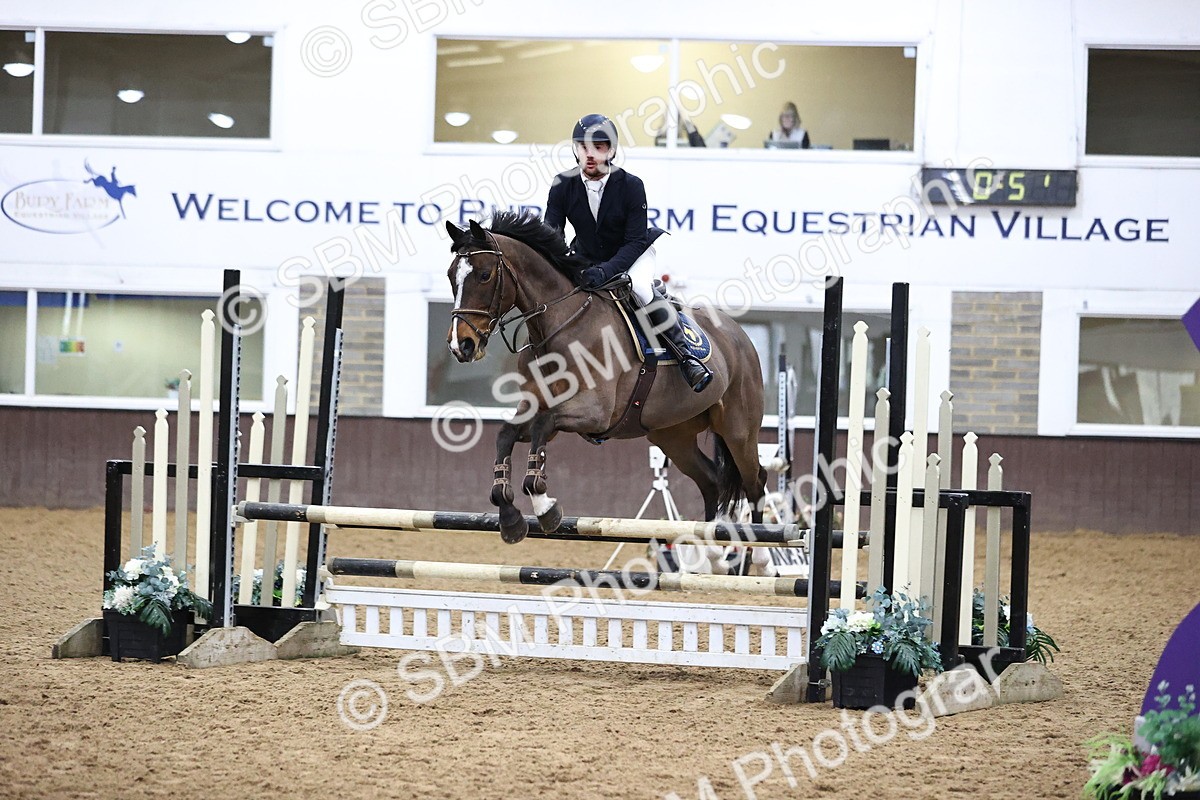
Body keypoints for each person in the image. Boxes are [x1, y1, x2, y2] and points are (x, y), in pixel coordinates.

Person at [544, 113, 712, 392]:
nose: (590, 154)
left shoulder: (631, 185)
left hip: (632, 256)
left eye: (598, 147)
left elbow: (634, 242)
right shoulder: (562, 184)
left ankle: (687, 359)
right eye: (583, 147)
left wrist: (605, 271)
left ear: (611, 150)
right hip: (585, 256)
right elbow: (552, 234)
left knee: (642, 290)